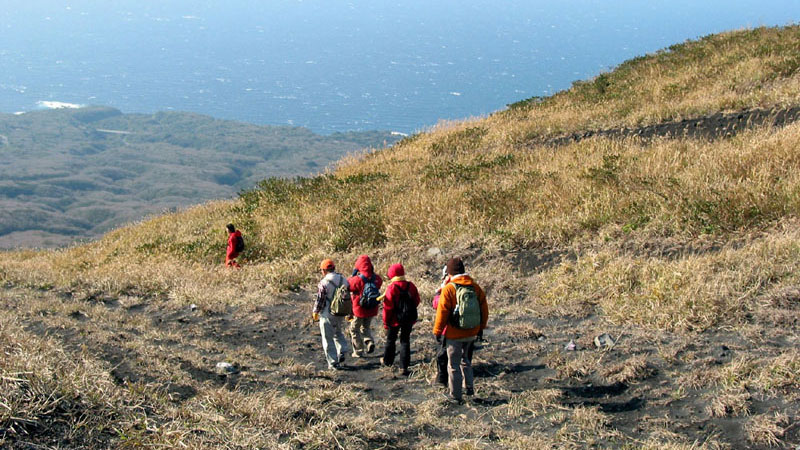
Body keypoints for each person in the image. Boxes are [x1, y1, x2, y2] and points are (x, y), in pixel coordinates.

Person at [433, 257, 489, 403]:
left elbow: (442, 312)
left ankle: (456, 395)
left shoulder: (449, 289)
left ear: (449, 273)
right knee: (467, 361)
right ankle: (469, 387)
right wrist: (481, 328)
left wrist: (437, 331)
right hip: (471, 332)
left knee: (453, 365)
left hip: (454, 334)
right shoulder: (475, 287)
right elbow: (484, 309)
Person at [380, 263, 420, 376]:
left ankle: (387, 362)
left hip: (394, 319)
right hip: (408, 318)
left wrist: (385, 322)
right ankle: (404, 367)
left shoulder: (392, 287)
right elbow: (416, 300)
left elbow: (387, 307)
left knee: (391, 340)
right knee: (405, 341)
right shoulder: (410, 285)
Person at [313, 259, 351, 370]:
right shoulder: (343, 279)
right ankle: (343, 350)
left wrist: (315, 312)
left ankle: (333, 363)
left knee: (327, 338)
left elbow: (320, 300)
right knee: (338, 332)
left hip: (327, 314)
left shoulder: (324, 283)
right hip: (341, 312)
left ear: (324, 270)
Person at [348, 255, 383, 358]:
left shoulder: (357, 279)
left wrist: (354, 274)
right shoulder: (376, 278)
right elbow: (379, 283)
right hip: (372, 308)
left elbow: (348, 285)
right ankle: (369, 341)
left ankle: (358, 351)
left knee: (354, 329)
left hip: (359, 309)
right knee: (366, 327)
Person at [431, 265, 450, 387]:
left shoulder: (448, 288)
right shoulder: (469, 284)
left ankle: (442, 380)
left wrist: (439, 292)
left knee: (443, 354)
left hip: (447, 329)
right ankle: (466, 382)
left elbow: (438, 305)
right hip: (467, 328)